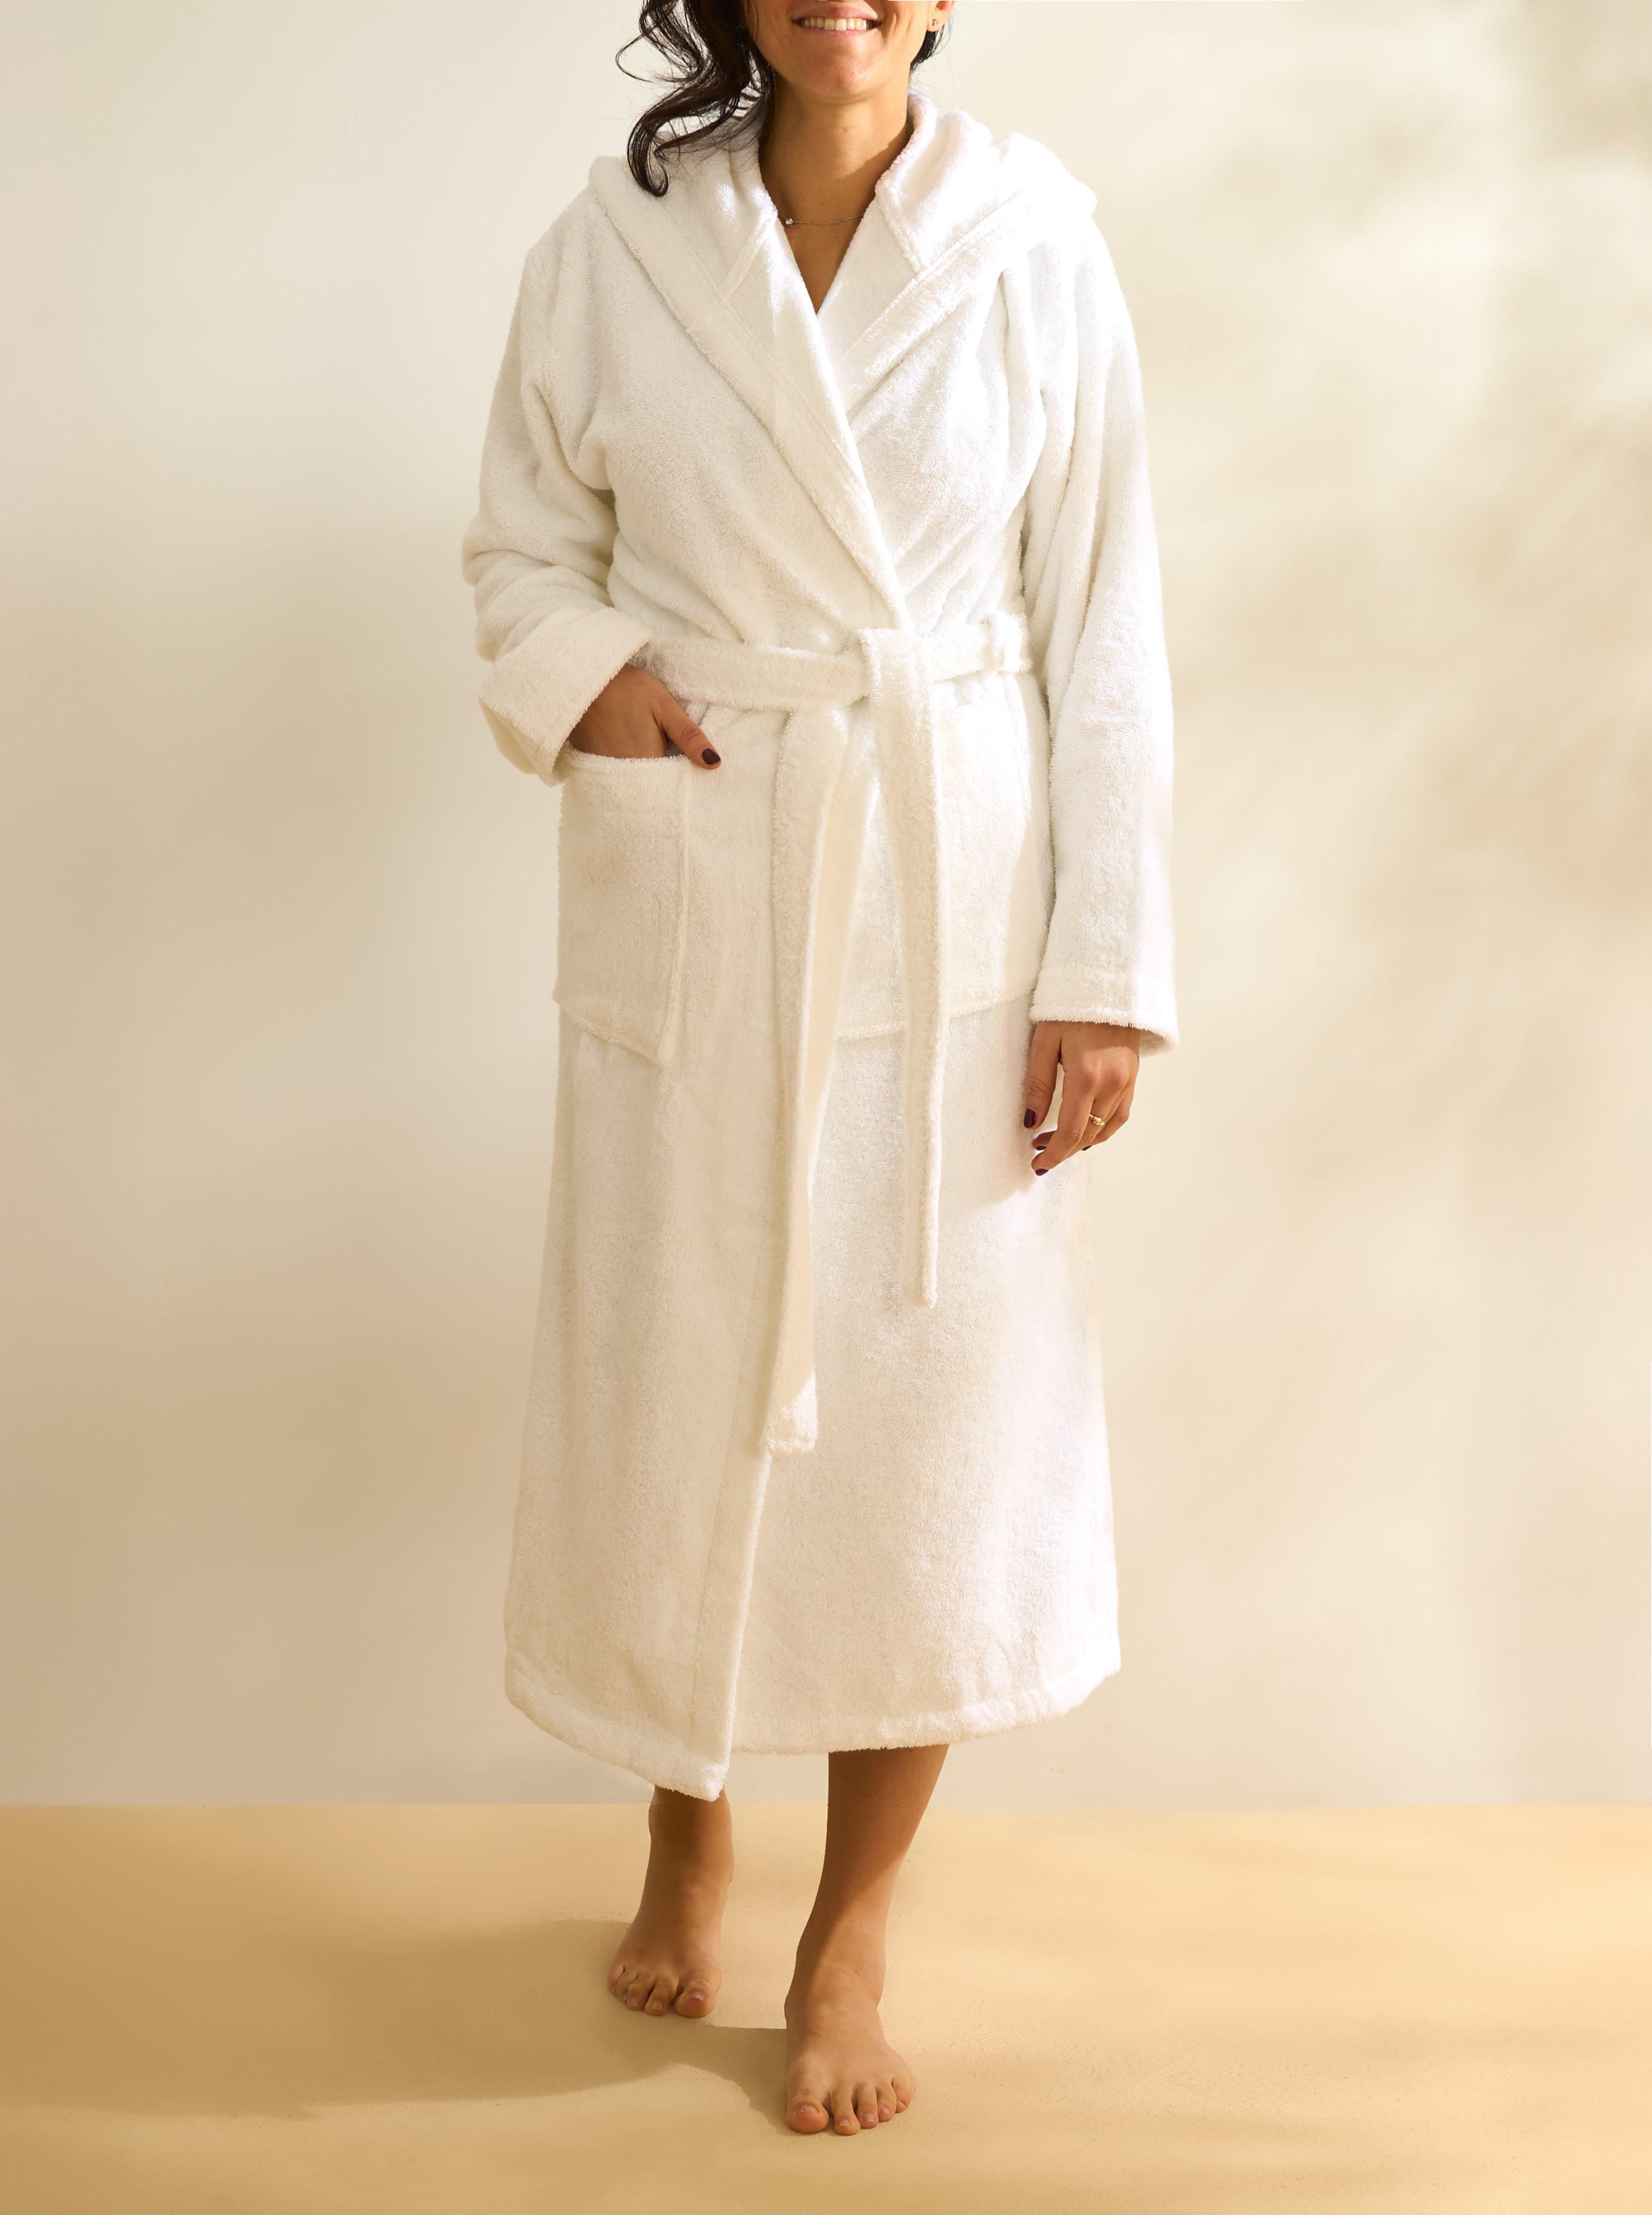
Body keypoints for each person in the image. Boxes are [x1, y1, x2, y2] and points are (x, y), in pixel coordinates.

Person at [459, 0, 1177, 2138]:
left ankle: (849, 1927)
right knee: (678, 1377)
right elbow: (519, 544)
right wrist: (595, 679)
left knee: (924, 1423)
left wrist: (1100, 966)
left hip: (952, 906)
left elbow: (1106, 620)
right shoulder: (615, 245)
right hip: (708, 878)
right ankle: (683, 1820)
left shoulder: (1036, 242)